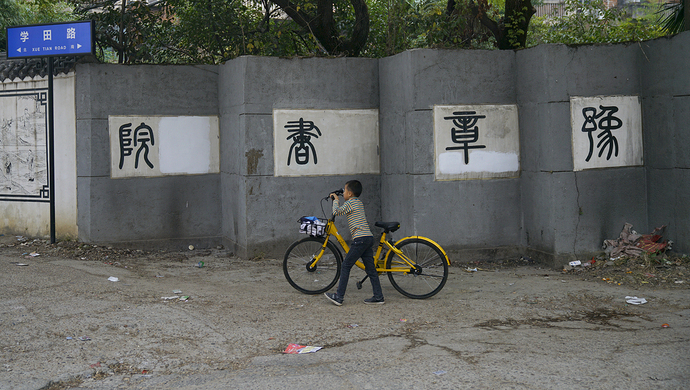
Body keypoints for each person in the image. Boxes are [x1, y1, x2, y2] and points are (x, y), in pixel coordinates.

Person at [324, 180, 385, 306]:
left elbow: (336, 212)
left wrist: (335, 200)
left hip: (360, 239)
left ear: (350, 194)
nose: (344, 192)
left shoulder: (350, 203)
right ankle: (378, 296)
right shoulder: (358, 202)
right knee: (371, 269)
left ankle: (339, 297)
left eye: (345, 190)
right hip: (368, 238)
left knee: (346, 266)